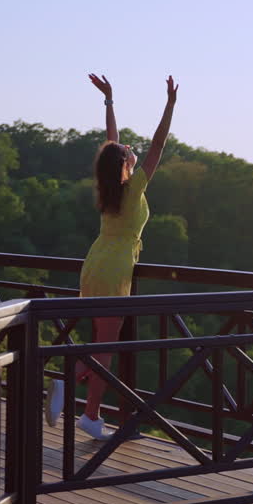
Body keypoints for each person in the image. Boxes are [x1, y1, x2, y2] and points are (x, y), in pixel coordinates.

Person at [45, 73, 178, 439]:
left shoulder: (108, 186)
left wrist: (109, 100)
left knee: (103, 341)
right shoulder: (133, 188)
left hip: (95, 263)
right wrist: (170, 105)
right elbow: (158, 144)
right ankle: (71, 387)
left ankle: (88, 411)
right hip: (115, 267)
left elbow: (111, 143)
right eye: (128, 152)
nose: (131, 149)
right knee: (106, 345)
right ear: (124, 164)